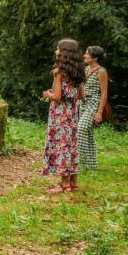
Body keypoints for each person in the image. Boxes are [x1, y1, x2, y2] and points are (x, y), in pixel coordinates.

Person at [42, 38, 85, 193]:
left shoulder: (59, 72)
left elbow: (57, 96)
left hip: (60, 115)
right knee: (71, 146)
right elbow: (81, 96)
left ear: (64, 53)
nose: (56, 51)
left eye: (58, 49)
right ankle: (73, 182)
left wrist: (47, 94)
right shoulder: (78, 73)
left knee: (61, 146)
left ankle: (64, 184)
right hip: (72, 115)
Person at [77, 46, 108, 171]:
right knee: (88, 133)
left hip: (94, 104)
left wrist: (99, 112)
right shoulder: (86, 69)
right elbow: (82, 86)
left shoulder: (101, 71)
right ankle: (91, 164)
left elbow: (104, 93)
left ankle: (80, 162)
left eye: (87, 53)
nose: (84, 55)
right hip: (83, 103)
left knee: (81, 129)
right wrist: (79, 98)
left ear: (95, 57)